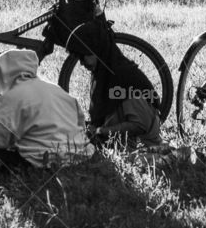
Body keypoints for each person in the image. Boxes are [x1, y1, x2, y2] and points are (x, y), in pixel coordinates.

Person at [0, 49, 95, 176]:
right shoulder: (57, 90)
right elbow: (81, 124)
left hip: (42, 164)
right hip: (80, 157)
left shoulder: (11, 98)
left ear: (2, 75)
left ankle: (24, 172)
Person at [65, 19, 163, 148]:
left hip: (143, 150)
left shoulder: (125, 78)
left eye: (83, 57)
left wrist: (101, 131)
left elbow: (139, 125)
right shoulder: (103, 75)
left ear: (97, 51)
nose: (82, 63)